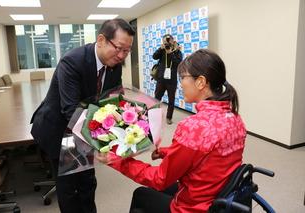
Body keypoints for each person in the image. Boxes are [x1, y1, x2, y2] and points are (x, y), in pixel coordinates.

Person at [97, 49, 246, 213]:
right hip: (216, 195)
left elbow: (159, 179)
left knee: (142, 194)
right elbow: (208, 155)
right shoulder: (235, 118)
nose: (181, 83)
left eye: (183, 78)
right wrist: (167, 153)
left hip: (194, 206)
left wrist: (117, 161)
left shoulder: (194, 127)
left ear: (201, 82)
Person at [30, 19, 135, 213]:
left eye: (127, 51)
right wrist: (101, 141)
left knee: (87, 181)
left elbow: (112, 101)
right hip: (62, 129)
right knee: (69, 187)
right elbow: (70, 110)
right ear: (101, 39)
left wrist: (126, 128)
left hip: (86, 126)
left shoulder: (115, 63)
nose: (122, 56)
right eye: (119, 48)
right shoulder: (72, 61)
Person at [153, 34, 182, 125]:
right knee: (157, 98)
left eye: (168, 41)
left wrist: (171, 53)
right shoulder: (162, 50)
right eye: (165, 41)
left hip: (171, 80)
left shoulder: (177, 51)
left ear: (173, 41)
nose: (167, 43)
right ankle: (154, 115)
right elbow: (154, 57)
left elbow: (178, 63)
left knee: (171, 100)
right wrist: (160, 49)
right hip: (161, 79)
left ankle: (169, 117)